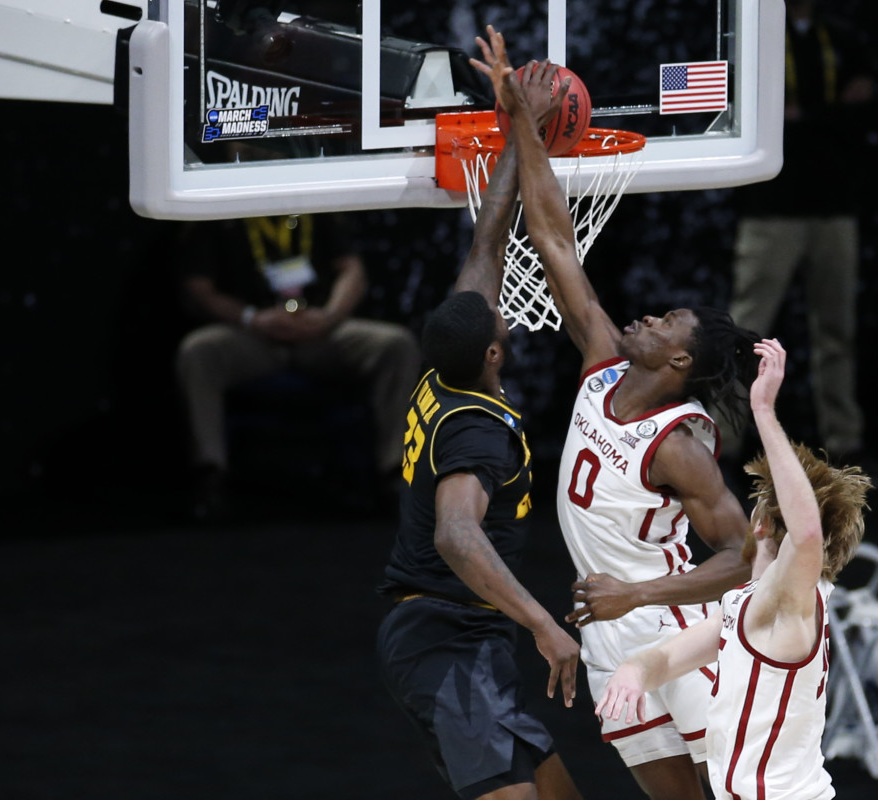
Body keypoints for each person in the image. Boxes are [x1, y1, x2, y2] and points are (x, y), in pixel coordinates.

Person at [473, 27, 760, 799]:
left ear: (679, 364)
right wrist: (523, 122)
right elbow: (555, 241)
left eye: (667, 323)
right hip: (608, 637)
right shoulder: (602, 364)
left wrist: (636, 595)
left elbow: (744, 556)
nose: (649, 318)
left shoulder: (677, 444)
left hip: (672, 628)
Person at [376, 65, 584, 800]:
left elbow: (486, 248)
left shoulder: (445, 368)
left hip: (464, 635)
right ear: (494, 354)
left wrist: (521, 127)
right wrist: (543, 624)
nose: (502, 312)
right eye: (501, 322)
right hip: (444, 636)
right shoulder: (476, 433)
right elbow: (456, 536)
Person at [594, 337, 870, 800]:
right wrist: (634, 671)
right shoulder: (747, 605)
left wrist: (764, 412)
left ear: (760, 523)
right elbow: (668, 658)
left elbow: (805, 535)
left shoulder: (787, 602)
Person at [174, 212, 420, 519]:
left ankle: (395, 473)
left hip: (319, 330)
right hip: (252, 333)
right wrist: (250, 318)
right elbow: (198, 286)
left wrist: (329, 317)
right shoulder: (220, 213)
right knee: (198, 350)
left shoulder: (315, 205)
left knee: (396, 344)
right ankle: (210, 475)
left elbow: (352, 270)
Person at [723, 0, 875, 469]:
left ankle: (845, 445)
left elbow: (864, 108)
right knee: (746, 333)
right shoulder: (755, 38)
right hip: (771, 209)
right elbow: (749, 112)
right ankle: (722, 446)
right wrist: (826, 114)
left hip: (834, 207)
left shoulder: (843, 38)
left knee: (837, 331)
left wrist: (802, 115)